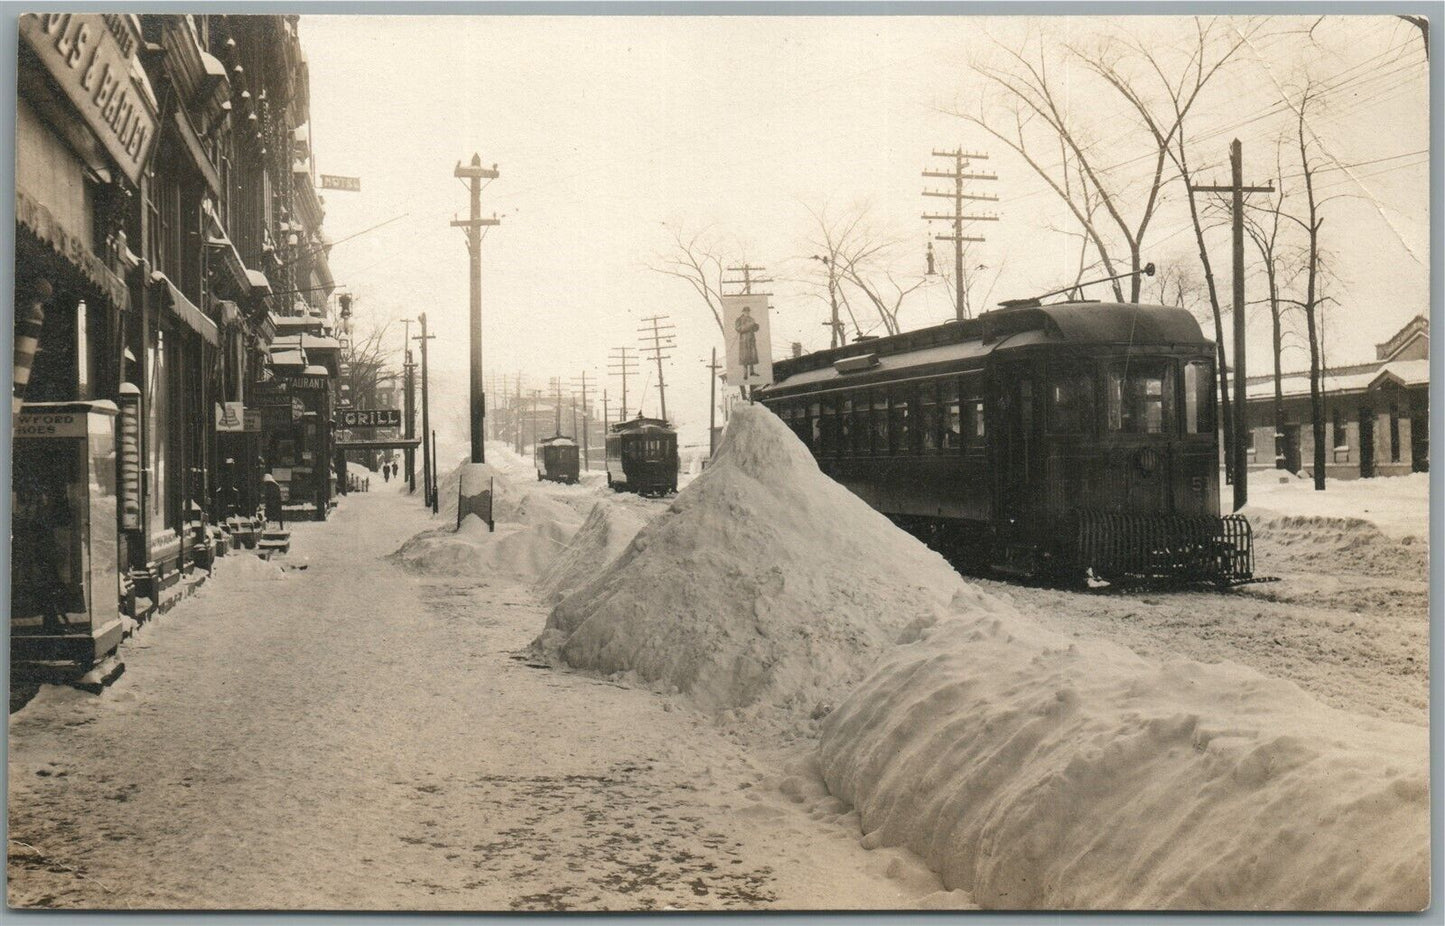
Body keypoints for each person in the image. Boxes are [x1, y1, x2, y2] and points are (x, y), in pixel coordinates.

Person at [735, 305, 761, 379]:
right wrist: (749, 326)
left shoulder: (752, 319)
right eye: (746, 311)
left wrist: (756, 326)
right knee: (745, 357)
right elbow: (738, 329)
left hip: (751, 339)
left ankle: (752, 372)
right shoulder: (739, 319)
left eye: (748, 311)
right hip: (744, 340)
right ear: (743, 312)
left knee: (752, 355)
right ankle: (745, 374)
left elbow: (755, 329)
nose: (747, 313)